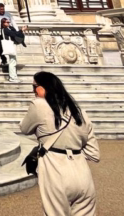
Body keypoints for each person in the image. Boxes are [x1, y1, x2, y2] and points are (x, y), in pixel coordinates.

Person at [20, 71, 100, 216]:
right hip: (83, 172)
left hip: (55, 169)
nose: (33, 91)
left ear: (43, 88)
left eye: (34, 87)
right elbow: (93, 153)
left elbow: (24, 129)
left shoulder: (38, 105)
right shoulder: (78, 111)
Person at [0, 17, 19, 82]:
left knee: (13, 60)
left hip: (11, 45)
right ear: (3, 23)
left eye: (9, 22)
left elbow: (14, 32)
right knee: (12, 61)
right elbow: (13, 33)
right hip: (10, 45)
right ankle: (12, 77)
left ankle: (14, 76)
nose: (9, 23)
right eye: (7, 22)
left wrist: (11, 27)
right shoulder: (5, 29)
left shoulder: (7, 28)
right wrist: (21, 30)